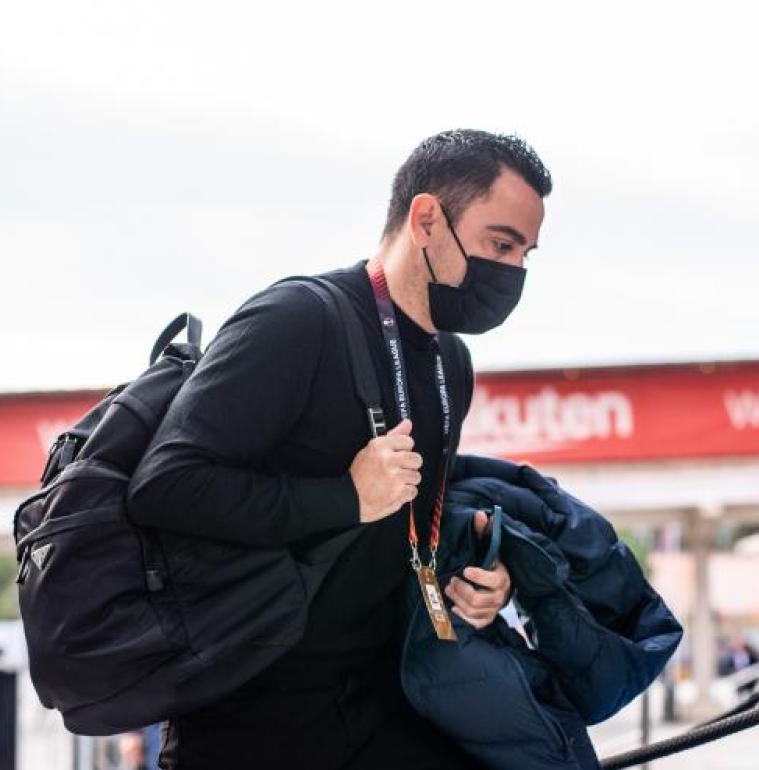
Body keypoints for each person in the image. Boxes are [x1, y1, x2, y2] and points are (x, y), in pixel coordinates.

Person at [127, 129, 551, 769]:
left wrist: (477, 580)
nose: (514, 270)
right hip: (251, 719)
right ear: (427, 219)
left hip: (386, 701)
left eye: (526, 253)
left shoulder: (450, 365)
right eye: (500, 244)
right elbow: (165, 485)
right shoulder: (299, 320)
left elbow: (407, 530)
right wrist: (345, 497)